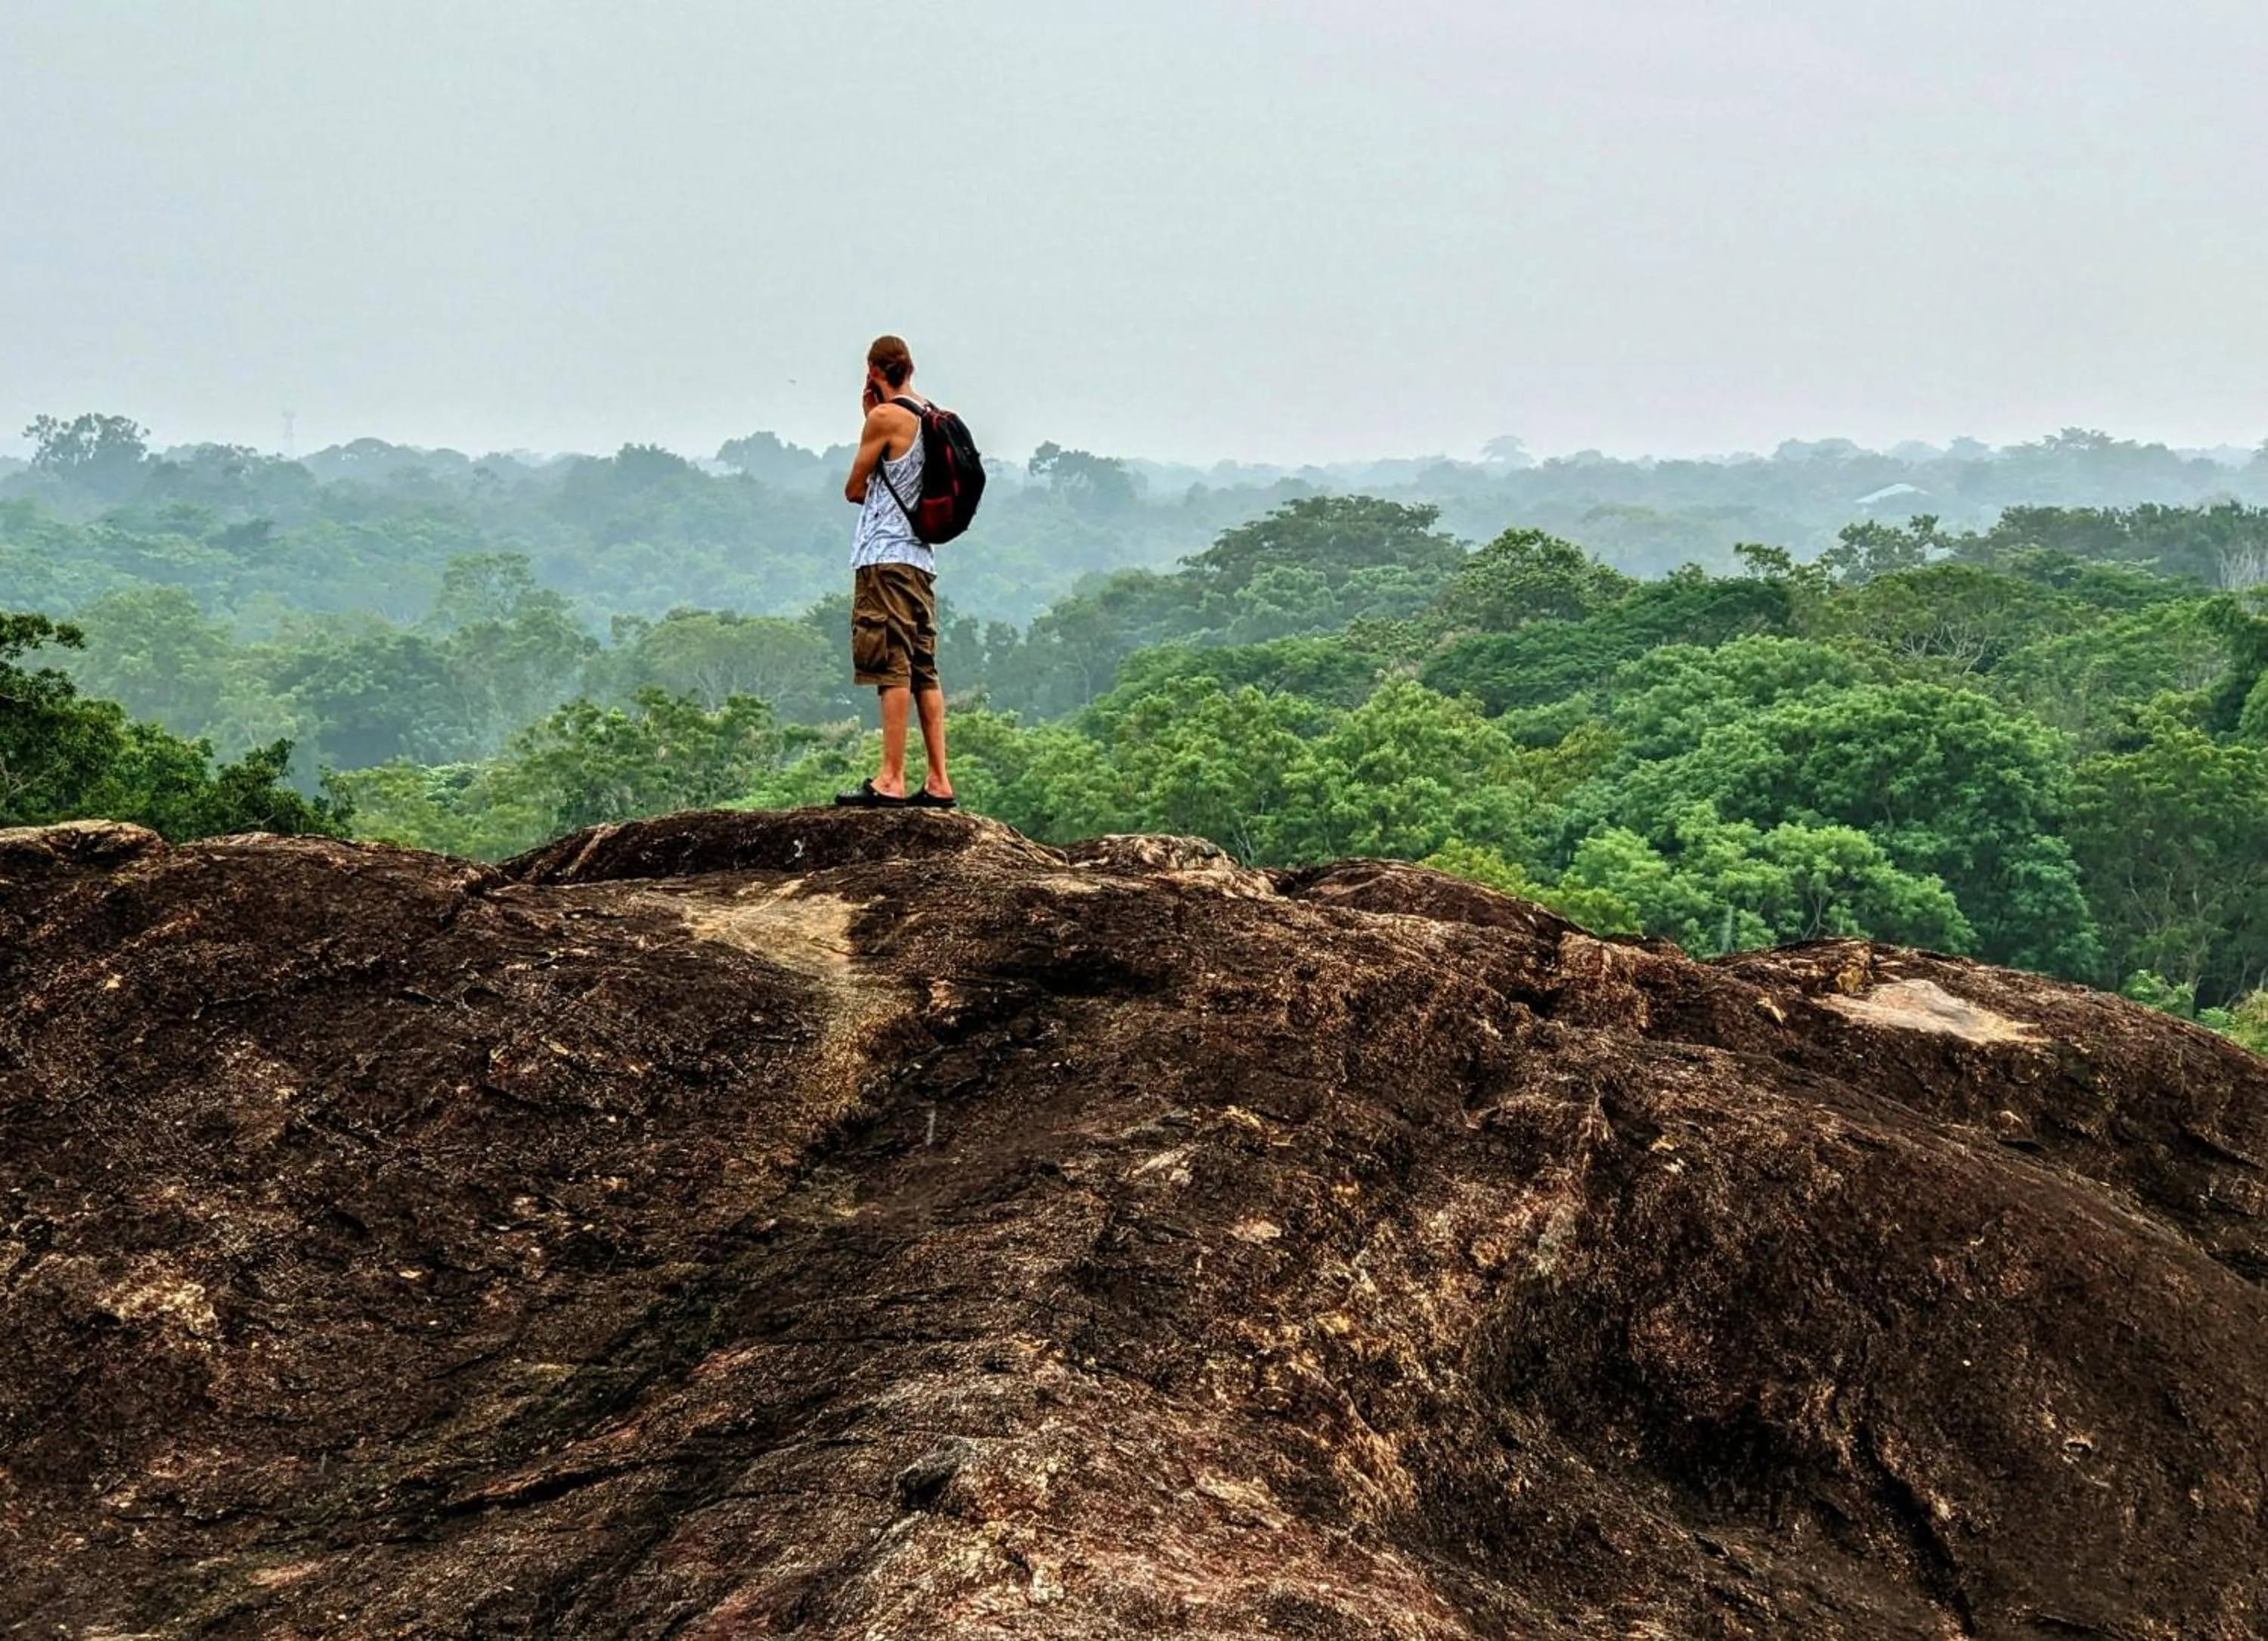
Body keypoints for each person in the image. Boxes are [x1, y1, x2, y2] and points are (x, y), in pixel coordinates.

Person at [835, 334, 955, 809]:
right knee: (924, 668)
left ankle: (891, 778)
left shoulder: (886, 418)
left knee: (891, 665)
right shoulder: (933, 415)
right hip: (922, 559)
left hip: (885, 557)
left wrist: (869, 419)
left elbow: (854, 489)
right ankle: (939, 781)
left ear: (874, 371)